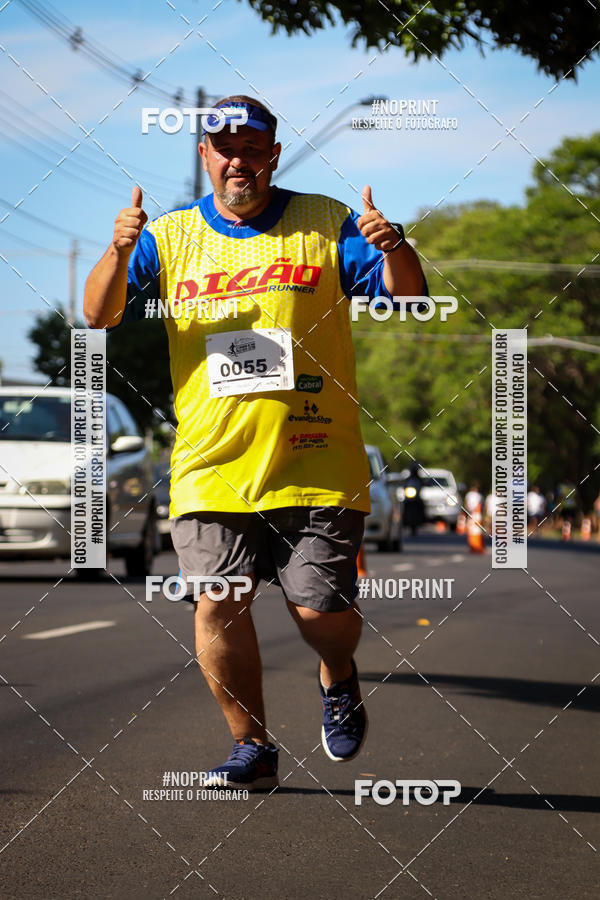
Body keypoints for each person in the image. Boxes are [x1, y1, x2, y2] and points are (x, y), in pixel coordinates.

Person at [84, 95, 426, 789]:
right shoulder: (172, 235)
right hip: (212, 463)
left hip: (317, 455)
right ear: (204, 155)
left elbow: (408, 297)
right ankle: (253, 748)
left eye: (251, 146)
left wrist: (395, 246)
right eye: (224, 147)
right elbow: (98, 315)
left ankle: (338, 674)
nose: (238, 158)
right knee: (218, 600)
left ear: (273, 153)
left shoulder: (325, 221)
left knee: (319, 612)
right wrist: (119, 250)